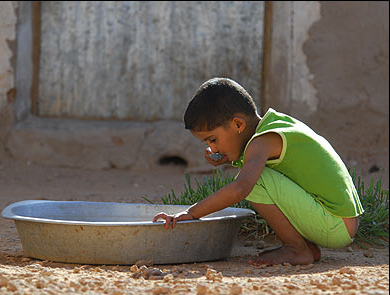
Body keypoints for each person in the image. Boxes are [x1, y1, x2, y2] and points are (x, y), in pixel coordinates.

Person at [152, 78, 364, 266]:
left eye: (212, 139)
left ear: (237, 124)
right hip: (340, 222)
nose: (213, 149)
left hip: (334, 225)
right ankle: (306, 246)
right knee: (257, 178)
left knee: (256, 182)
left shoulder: (261, 143)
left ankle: (296, 248)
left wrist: (192, 213)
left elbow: (242, 187)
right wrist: (227, 156)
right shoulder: (274, 126)